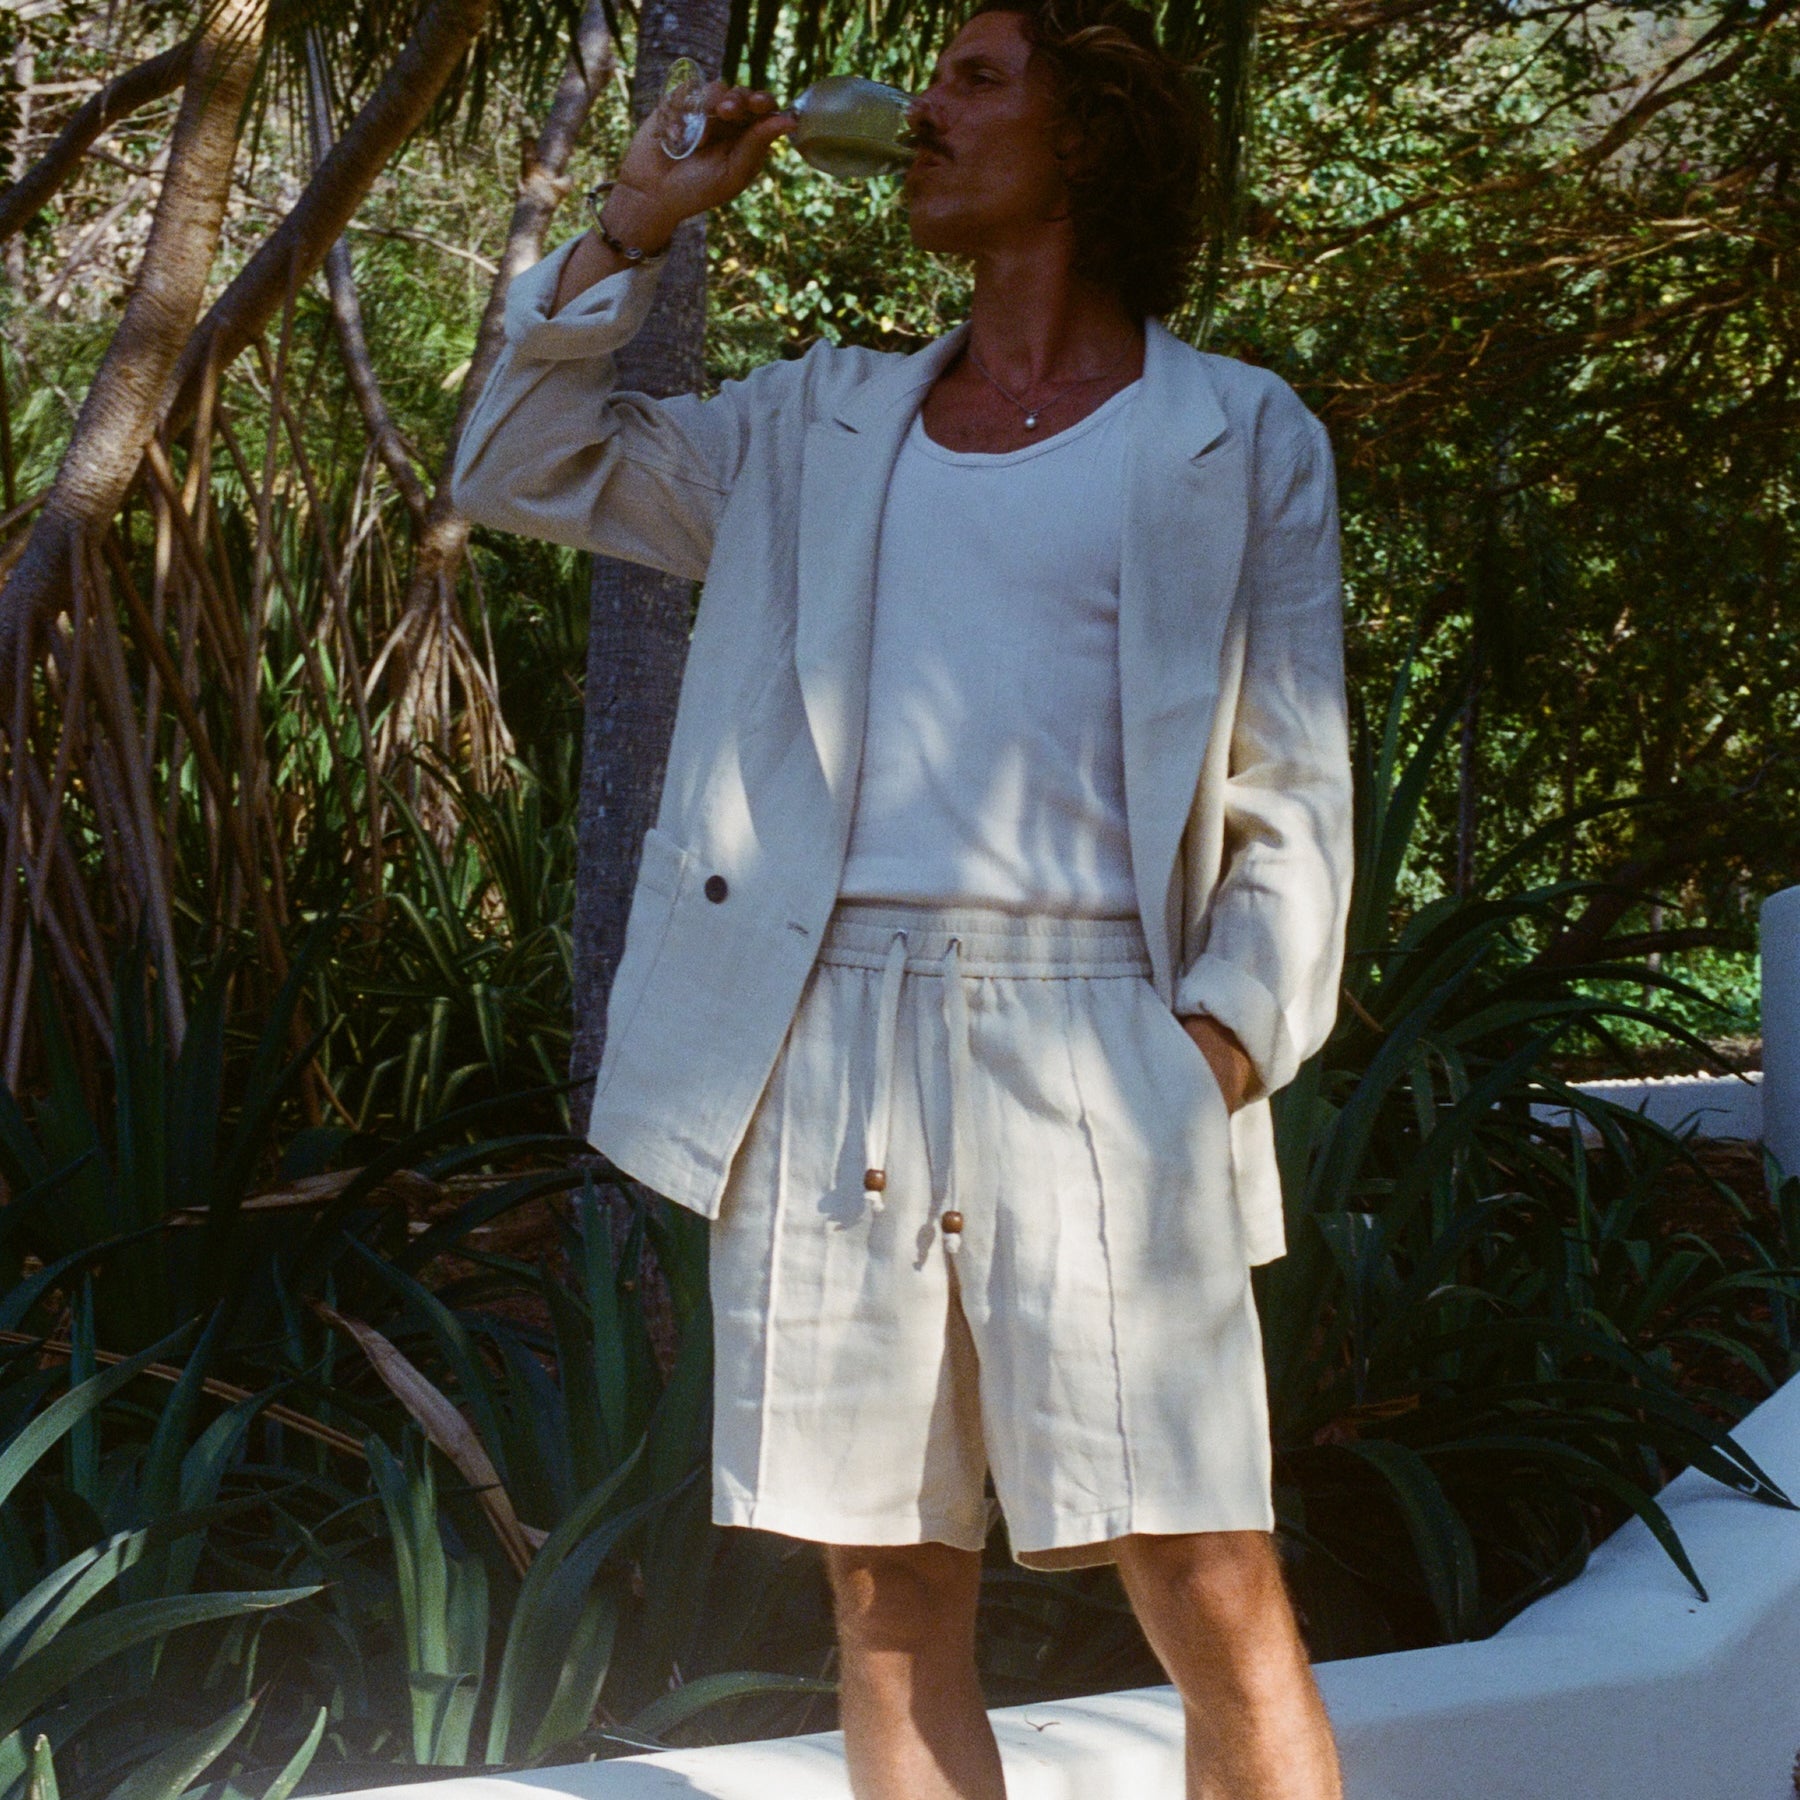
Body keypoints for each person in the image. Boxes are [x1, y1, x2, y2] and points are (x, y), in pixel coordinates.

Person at [452, 1, 1352, 1792]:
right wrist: (633, 227)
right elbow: (516, 468)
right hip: (826, 1029)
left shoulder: (1236, 434)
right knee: (886, 1586)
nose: (924, 109)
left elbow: (1293, 795)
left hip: (1106, 1030)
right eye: (929, 77)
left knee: (1206, 1569)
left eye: (976, 80)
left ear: (1086, 140)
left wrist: (1213, 1057)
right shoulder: (818, 424)